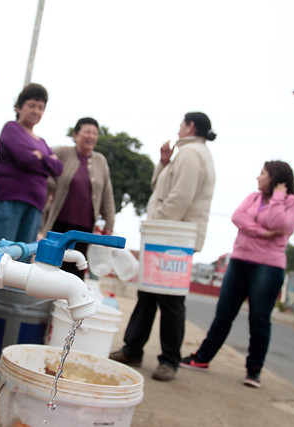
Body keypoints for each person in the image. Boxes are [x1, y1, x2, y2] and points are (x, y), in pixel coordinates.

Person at [110, 111, 217, 382]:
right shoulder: (186, 153)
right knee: (148, 294)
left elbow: (180, 198)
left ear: (191, 126)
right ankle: (133, 348)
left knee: (170, 299)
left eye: (182, 124)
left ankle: (169, 360)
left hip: (172, 237)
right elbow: (160, 186)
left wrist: (157, 222)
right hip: (166, 234)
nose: (178, 128)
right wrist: (164, 162)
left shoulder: (193, 153)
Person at [181, 161, 294, 388]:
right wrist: (264, 232)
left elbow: (282, 224)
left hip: (268, 266)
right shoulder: (253, 198)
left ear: (276, 179)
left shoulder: (292, 203)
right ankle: (202, 358)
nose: (258, 178)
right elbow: (238, 218)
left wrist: (277, 198)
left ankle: (254, 370)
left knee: (259, 319)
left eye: (263, 174)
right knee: (224, 314)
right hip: (239, 262)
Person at [0, 83, 63, 343]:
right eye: (31, 105)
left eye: (41, 107)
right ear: (19, 107)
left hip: (34, 207)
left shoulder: (42, 142)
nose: (36, 111)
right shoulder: (11, 129)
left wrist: (41, 157)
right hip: (7, 201)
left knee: (19, 265)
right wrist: (41, 160)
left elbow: (57, 167)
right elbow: (23, 158)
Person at [39, 117, 115, 279]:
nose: (91, 136)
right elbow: (44, 162)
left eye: (95, 133)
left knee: (74, 276)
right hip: (59, 227)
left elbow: (107, 195)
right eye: (87, 131)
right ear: (76, 135)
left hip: (84, 231)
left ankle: (66, 305)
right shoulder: (62, 152)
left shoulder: (100, 161)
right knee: (50, 272)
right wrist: (51, 186)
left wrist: (109, 224)